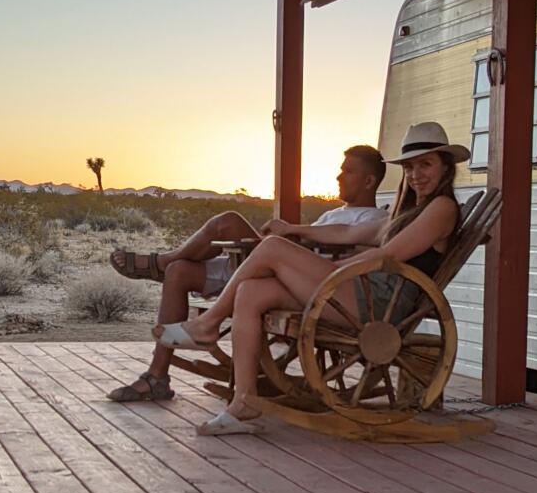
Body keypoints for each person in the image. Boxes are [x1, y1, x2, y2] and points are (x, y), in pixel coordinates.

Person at [160, 121, 468, 435]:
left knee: (272, 249)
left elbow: (387, 255)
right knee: (252, 291)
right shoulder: (408, 210)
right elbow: (348, 231)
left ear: (446, 168)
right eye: (410, 167)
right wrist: (296, 229)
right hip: (360, 291)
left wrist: (339, 269)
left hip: (378, 304)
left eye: (425, 165)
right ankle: (244, 400)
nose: (416, 175)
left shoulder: (442, 208)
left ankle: (208, 325)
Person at [105, 145, 389, 404]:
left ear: (369, 181)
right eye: (340, 170)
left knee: (229, 222)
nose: (339, 177)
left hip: (294, 280)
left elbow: (341, 254)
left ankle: (162, 262)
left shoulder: (374, 219)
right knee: (180, 273)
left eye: (348, 171)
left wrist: (291, 232)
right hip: (270, 267)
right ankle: (157, 378)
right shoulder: (333, 215)